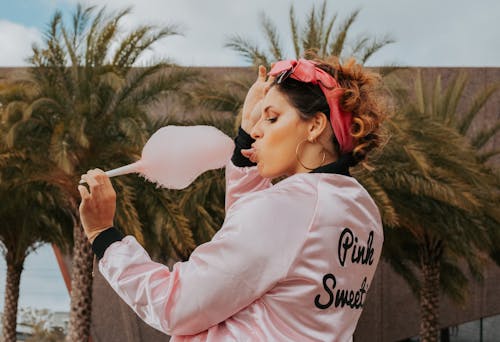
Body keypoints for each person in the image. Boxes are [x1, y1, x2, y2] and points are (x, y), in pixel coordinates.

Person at [78, 56, 388, 341]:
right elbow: (260, 245)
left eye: (272, 118)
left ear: (315, 125)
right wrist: (243, 138)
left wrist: (104, 237)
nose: (258, 131)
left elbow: (176, 304)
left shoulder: (287, 208)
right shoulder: (364, 212)